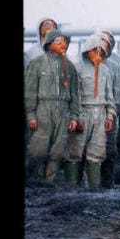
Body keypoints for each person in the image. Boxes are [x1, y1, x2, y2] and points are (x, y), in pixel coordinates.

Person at [24, 29, 80, 184]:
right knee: (39, 148)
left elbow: (75, 94)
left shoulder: (70, 67)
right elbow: (29, 92)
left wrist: (74, 116)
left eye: (65, 41)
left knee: (58, 149)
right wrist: (31, 115)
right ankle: (35, 181)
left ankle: (49, 182)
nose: (63, 44)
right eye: (58, 41)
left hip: (63, 112)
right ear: (49, 44)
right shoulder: (36, 64)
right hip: (43, 110)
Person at [66, 35, 116, 188]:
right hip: (83, 112)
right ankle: (71, 189)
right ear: (88, 50)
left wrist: (110, 116)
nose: (98, 55)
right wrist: (78, 117)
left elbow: (110, 96)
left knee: (97, 152)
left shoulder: (105, 70)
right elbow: (74, 95)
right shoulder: (76, 67)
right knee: (75, 151)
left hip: (100, 114)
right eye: (95, 51)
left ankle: (94, 190)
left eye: (102, 53)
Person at [96, 30, 120, 187]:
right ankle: (88, 184)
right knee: (89, 149)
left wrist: (115, 111)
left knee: (110, 148)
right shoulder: (85, 63)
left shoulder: (116, 63)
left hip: (110, 112)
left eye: (107, 42)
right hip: (91, 112)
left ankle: (107, 184)